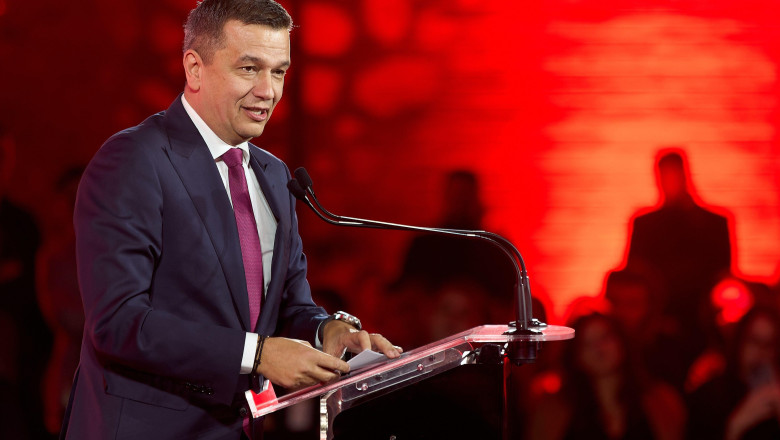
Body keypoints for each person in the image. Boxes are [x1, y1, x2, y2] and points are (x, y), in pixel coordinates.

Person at [60, 1, 401, 439]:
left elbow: (287, 308)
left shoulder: (274, 176)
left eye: (279, 71)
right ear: (195, 69)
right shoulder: (135, 160)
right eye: (249, 69)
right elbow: (119, 322)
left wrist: (326, 329)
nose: (268, 91)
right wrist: (258, 355)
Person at [526, 313, 686, 440]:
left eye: (605, 337)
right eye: (587, 343)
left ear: (622, 343)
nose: (599, 348)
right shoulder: (554, 410)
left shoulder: (661, 403)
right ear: (575, 357)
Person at [687, 307, 780, 440]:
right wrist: (738, 424)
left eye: (769, 344)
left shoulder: (775, 396)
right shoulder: (709, 395)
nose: (761, 352)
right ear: (739, 341)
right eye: (754, 340)